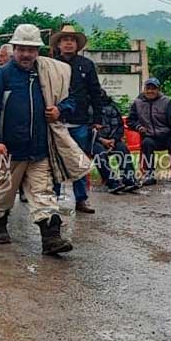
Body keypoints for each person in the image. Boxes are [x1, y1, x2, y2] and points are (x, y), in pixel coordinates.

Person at [0, 24, 89, 256]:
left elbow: (71, 100)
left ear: (38, 51)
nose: (26, 54)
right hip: (9, 150)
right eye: (22, 49)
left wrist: (60, 110)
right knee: (4, 193)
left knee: (44, 193)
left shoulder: (48, 74)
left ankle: (51, 239)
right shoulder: (1, 77)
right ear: (14, 49)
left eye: (31, 50)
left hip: (39, 149)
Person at [50, 25, 107, 214]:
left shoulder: (86, 64)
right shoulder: (51, 64)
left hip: (80, 121)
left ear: (77, 44)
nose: (69, 43)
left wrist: (97, 118)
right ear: (59, 44)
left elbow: (95, 93)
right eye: (65, 39)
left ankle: (81, 199)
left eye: (72, 40)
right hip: (56, 121)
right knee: (55, 161)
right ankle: (53, 199)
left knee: (80, 161)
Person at [129, 77, 171, 187]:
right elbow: (130, 120)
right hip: (150, 137)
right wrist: (138, 127)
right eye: (148, 88)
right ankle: (149, 175)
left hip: (167, 136)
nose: (150, 91)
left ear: (158, 90)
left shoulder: (167, 102)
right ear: (144, 89)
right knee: (146, 143)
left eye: (153, 89)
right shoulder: (137, 102)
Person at [93, 100, 139, 194]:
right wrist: (101, 140)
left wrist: (114, 139)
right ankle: (112, 182)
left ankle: (129, 180)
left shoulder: (112, 107)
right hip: (94, 141)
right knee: (100, 153)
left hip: (112, 140)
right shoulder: (85, 108)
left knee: (122, 149)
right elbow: (85, 129)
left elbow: (120, 126)